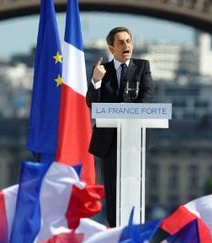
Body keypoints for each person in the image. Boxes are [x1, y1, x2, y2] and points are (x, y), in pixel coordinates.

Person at [86, 26, 155, 227]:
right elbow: (92, 103)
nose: (126, 45)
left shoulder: (142, 67)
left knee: (134, 186)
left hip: (134, 138)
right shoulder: (101, 70)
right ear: (111, 48)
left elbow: (147, 95)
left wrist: (129, 115)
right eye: (121, 42)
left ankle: (133, 229)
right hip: (108, 141)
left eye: (129, 41)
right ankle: (115, 230)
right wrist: (96, 81)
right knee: (113, 188)